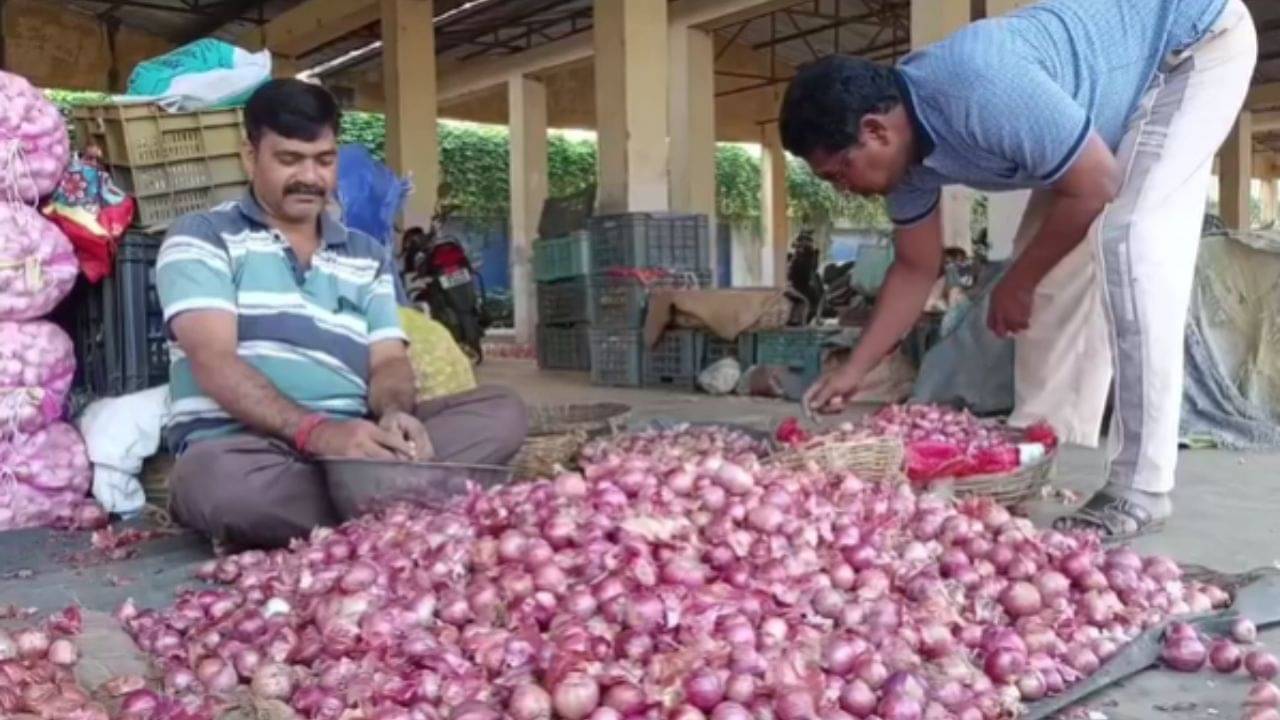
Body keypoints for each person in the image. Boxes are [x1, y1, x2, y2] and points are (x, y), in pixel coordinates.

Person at [785, 0, 1256, 540]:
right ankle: (1036, 459)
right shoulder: (907, 163)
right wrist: (854, 369)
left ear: (875, 131)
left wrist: (1019, 280)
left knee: (1131, 242)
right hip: (1101, 113)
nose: (843, 188)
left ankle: (1141, 488)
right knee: (1050, 277)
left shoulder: (977, 86)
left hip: (1189, 46)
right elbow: (917, 266)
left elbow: (1097, 186)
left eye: (838, 172)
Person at [156, 79, 528, 549]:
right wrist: (319, 434)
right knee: (216, 482)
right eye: (289, 159)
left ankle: (368, 500)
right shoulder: (203, 236)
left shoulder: (366, 253)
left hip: (360, 450)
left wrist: (394, 413)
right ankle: (397, 503)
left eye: (324, 160)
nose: (310, 177)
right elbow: (213, 361)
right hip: (252, 451)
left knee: (501, 411)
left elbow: (389, 361)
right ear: (250, 156)